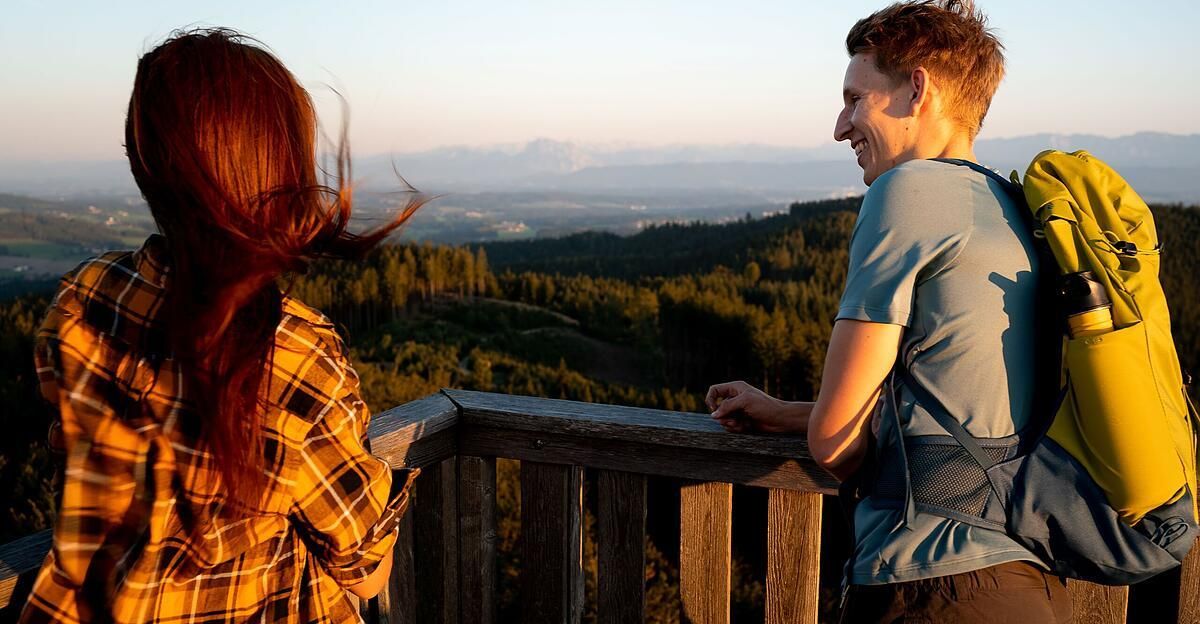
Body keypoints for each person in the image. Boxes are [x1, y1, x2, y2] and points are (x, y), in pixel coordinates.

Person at [19, 29, 425, 624]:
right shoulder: (292, 354)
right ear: (279, 170)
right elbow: (366, 572)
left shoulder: (84, 300)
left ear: (146, 166)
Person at [706, 2, 1072, 622]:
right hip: (1027, 585)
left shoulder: (907, 191)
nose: (840, 125)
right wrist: (787, 414)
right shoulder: (1007, 203)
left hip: (931, 584)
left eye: (856, 99)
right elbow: (963, 412)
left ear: (917, 87)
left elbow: (835, 443)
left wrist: (819, 425)